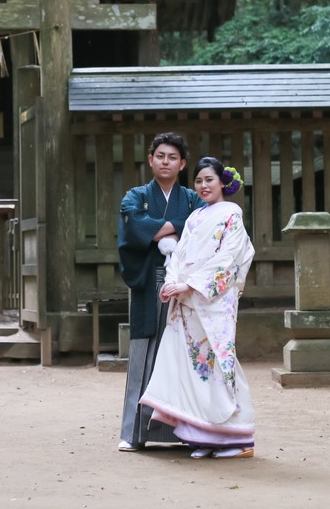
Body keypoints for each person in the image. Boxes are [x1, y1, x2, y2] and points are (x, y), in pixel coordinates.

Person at [139, 157, 256, 459]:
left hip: (212, 300)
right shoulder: (194, 218)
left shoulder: (232, 213)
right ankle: (205, 435)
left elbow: (228, 259)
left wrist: (190, 285)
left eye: (209, 180)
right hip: (188, 300)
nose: (203, 186)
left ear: (222, 183)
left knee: (218, 361)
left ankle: (239, 439)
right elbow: (179, 255)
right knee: (192, 368)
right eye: (199, 181)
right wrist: (173, 281)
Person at [117, 132, 204, 452]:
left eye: (173, 158)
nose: (166, 162)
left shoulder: (194, 198)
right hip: (149, 280)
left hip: (184, 283)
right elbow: (135, 229)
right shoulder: (134, 196)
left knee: (183, 354)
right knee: (144, 353)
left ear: (182, 164)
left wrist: (158, 226)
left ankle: (186, 433)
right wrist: (176, 224)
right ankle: (133, 433)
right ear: (151, 160)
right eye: (160, 156)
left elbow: (199, 228)